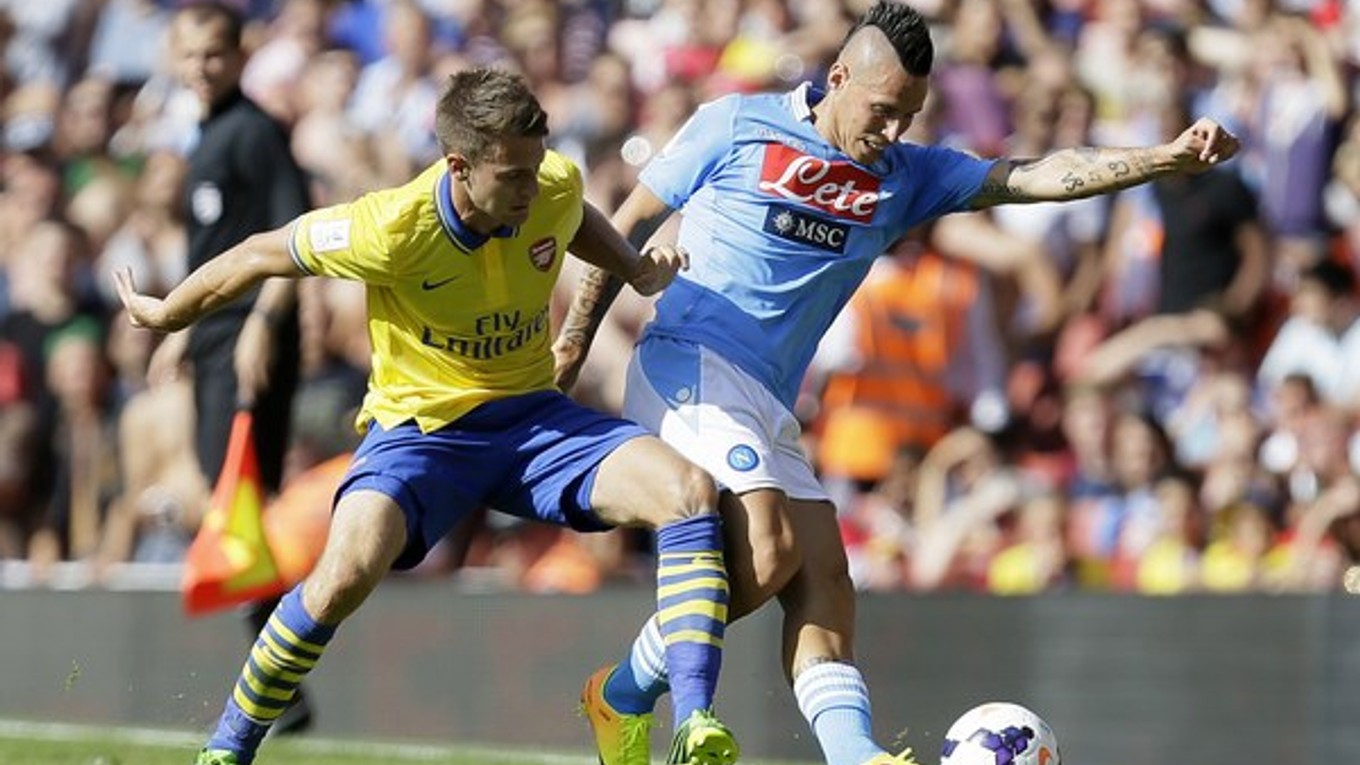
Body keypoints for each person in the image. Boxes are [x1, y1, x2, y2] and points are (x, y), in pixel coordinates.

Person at [553, 3, 1240, 765]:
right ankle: (645, 701)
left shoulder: (909, 177)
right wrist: (574, 342)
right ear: (839, 76)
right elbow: (626, 225)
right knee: (771, 546)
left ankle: (850, 753)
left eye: (908, 115)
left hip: (768, 398)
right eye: (882, 110)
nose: (892, 131)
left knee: (825, 579)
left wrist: (1162, 158)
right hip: (688, 360)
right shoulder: (736, 123)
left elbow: (1038, 175)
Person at [115, 66, 738, 765]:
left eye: (535, 170)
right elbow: (262, 252)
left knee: (689, 490)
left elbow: (571, 215)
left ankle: (693, 721)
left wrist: (632, 265)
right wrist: (169, 313)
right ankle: (227, 749)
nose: (532, 189)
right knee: (343, 574)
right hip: (421, 434)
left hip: (533, 421)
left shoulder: (550, 183)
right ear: (458, 167)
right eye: (513, 177)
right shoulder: (391, 228)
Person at [157, 2, 314, 734]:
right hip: (213, 339)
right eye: (190, 55)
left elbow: (291, 239)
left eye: (214, 53)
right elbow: (215, 251)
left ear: (240, 56)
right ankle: (280, 685)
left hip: (247, 342)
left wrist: (262, 324)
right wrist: (180, 327)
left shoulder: (253, 133)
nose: (201, 67)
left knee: (241, 502)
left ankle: (279, 683)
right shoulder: (208, 135)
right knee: (232, 501)